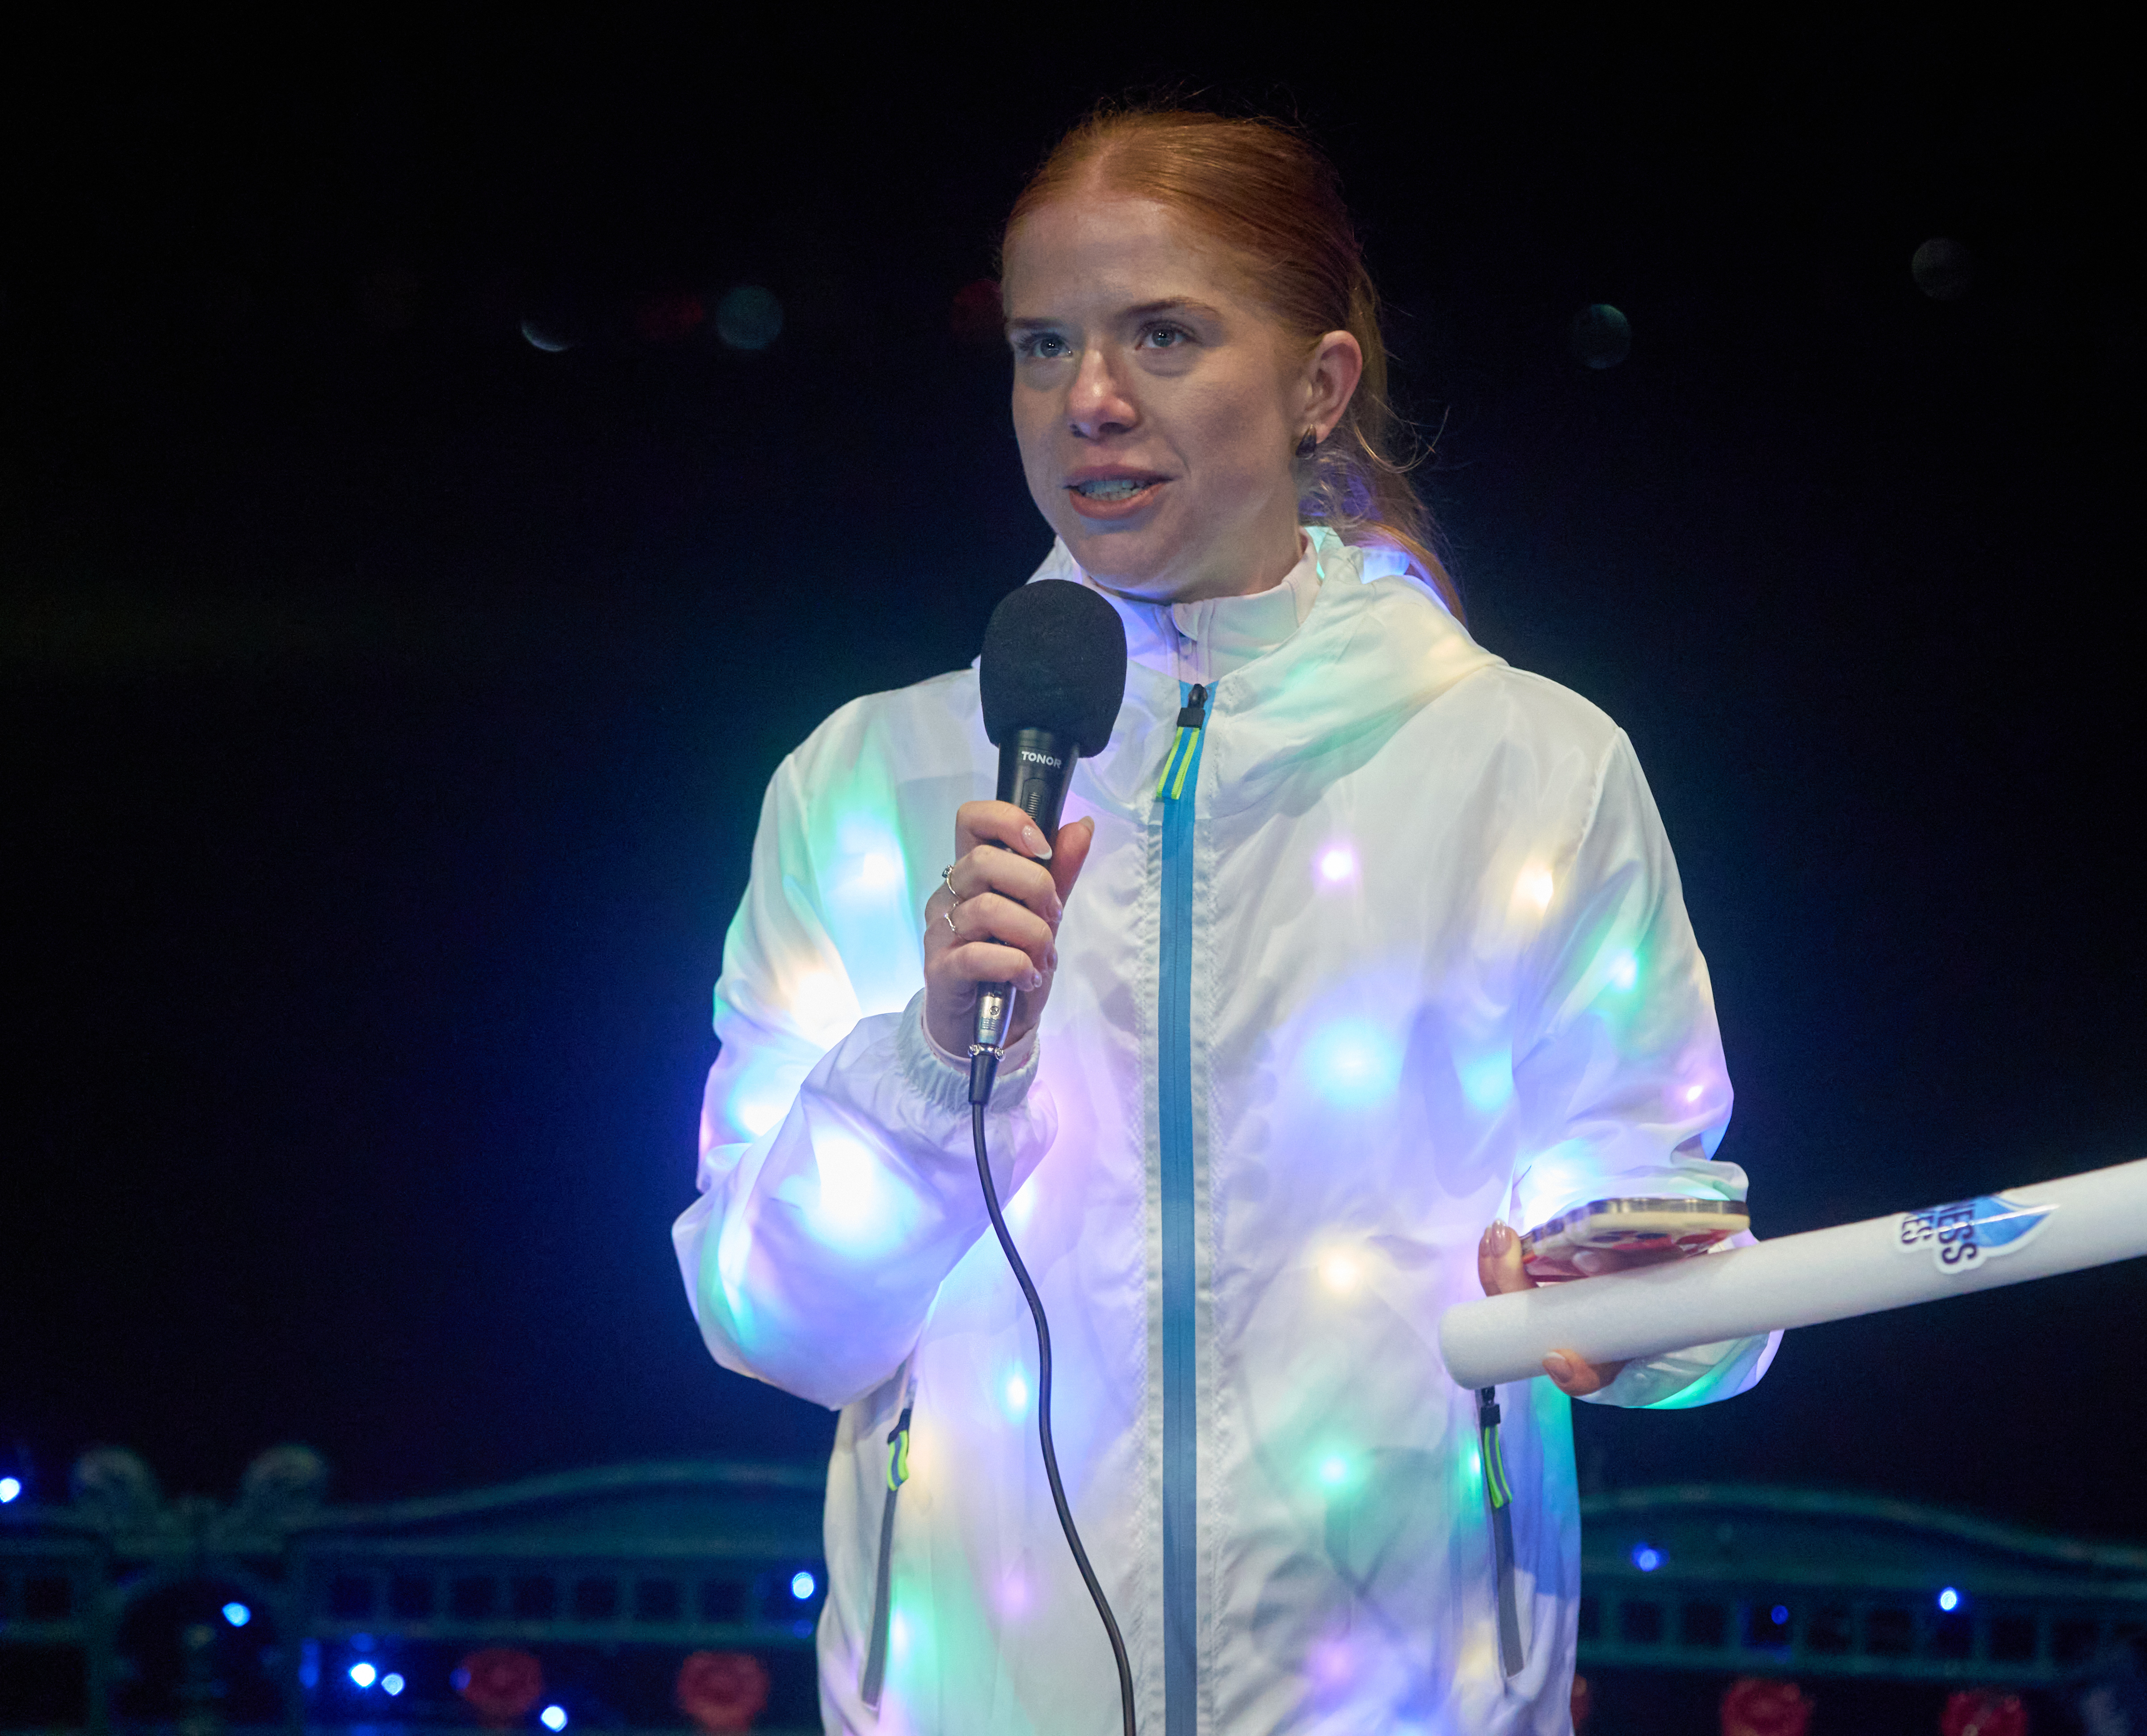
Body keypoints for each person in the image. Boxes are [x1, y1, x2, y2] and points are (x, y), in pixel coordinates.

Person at [673, 105, 1777, 1735]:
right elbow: (770, 1323)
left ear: (1319, 384)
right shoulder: (873, 778)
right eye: (1044, 346)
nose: (1090, 401)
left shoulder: (1528, 764)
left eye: (1164, 336)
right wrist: (925, 1074)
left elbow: (1695, 1302)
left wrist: (1632, 1303)